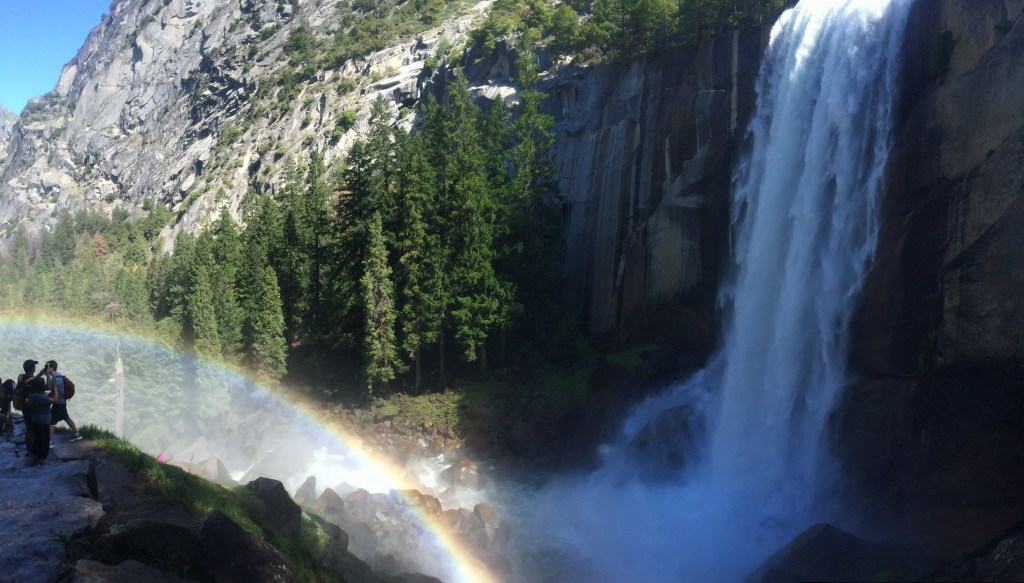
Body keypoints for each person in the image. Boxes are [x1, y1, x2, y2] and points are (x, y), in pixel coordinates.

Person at [45, 360, 82, 445]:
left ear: (52, 368)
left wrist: (51, 399)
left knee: (51, 422)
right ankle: (77, 434)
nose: (45, 369)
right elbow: (51, 388)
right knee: (66, 417)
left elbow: (58, 392)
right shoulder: (55, 377)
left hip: (58, 403)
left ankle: (49, 442)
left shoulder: (57, 378)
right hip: (61, 402)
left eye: (47, 367)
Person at [26, 375, 56, 465]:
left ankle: (37, 460)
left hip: (38, 421)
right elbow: (55, 400)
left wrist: (53, 389)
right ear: (41, 386)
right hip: (41, 422)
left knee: (39, 441)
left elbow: (48, 396)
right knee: (42, 443)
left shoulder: (34, 395)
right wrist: (56, 390)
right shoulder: (38, 396)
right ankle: (40, 462)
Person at [16, 360, 39, 455]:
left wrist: (40, 373)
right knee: (33, 430)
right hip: (30, 408)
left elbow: (30, 380)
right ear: (33, 368)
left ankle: (28, 449)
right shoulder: (32, 381)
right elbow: (42, 386)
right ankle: (32, 451)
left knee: (29, 428)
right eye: (34, 366)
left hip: (23, 406)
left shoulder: (21, 377)